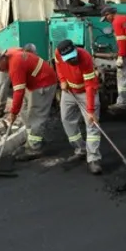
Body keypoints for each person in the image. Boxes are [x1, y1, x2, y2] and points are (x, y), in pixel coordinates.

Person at [0, 46, 58, 161]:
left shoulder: (15, 66)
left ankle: (35, 148)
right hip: (32, 82)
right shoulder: (11, 52)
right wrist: (17, 110)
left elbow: (18, 92)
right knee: (24, 111)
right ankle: (33, 140)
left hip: (44, 83)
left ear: (1, 59)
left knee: (36, 116)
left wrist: (13, 112)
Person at [53, 39, 103, 175]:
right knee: (66, 120)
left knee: (91, 125)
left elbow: (89, 86)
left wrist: (91, 111)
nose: (72, 60)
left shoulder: (85, 58)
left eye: (73, 56)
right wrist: (62, 80)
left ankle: (93, 158)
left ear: (75, 49)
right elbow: (58, 66)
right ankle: (80, 149)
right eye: (69, 59)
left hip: (86, 93)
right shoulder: (58, 54)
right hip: (69, 92)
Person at [0, 43, 37, 118]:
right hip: (6, 62)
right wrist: (14, 112)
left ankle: (26, 106)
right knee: (3, 85)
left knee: (23, 86)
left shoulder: (27, 57)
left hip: (13, 62)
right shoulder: (17, 59)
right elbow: (19, 90)